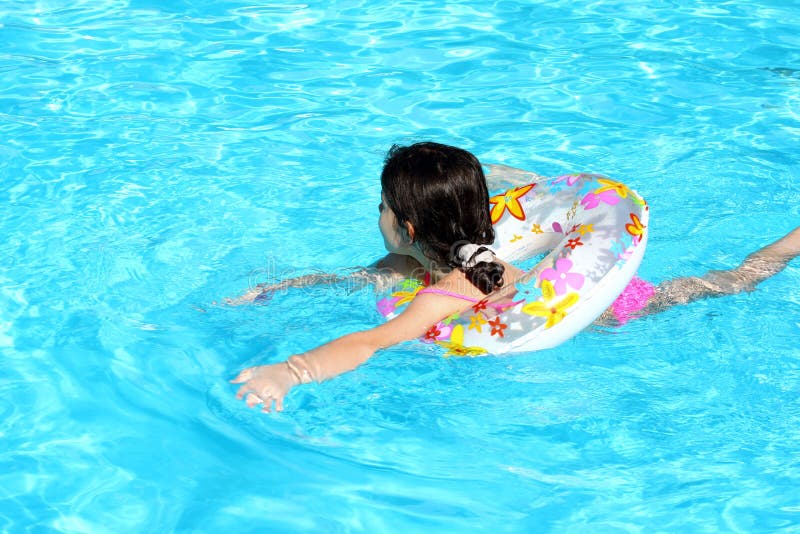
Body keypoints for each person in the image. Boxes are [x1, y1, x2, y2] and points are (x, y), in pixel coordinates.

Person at [229, 142, 800, 412]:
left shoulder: (450, 289)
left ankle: (787, 246)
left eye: (380, 206)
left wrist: (292, 372)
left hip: (609, 307)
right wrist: (289, 286)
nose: (373, 215)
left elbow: (372, 341)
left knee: (730, 281)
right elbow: (359, 276)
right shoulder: (435, 253)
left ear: (404, 225)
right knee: (723, 279)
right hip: (546, 271)